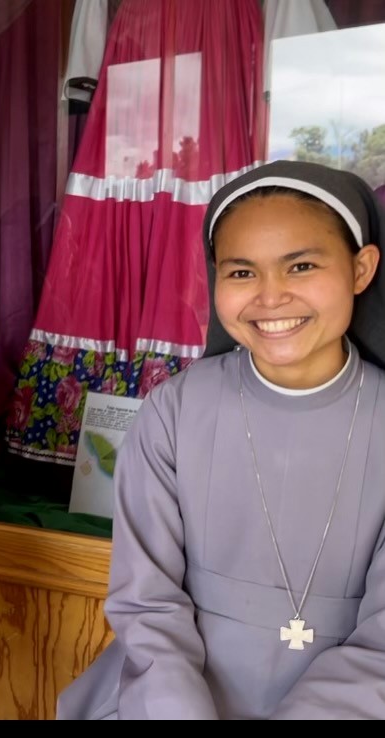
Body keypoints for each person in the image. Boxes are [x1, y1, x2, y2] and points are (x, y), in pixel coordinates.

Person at [58, 160, 385, 719]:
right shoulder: (174, 410)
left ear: (360, 269)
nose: (270, 296)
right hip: (167, 699)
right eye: (241, 273)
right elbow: (146, 600)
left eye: (301, 266)